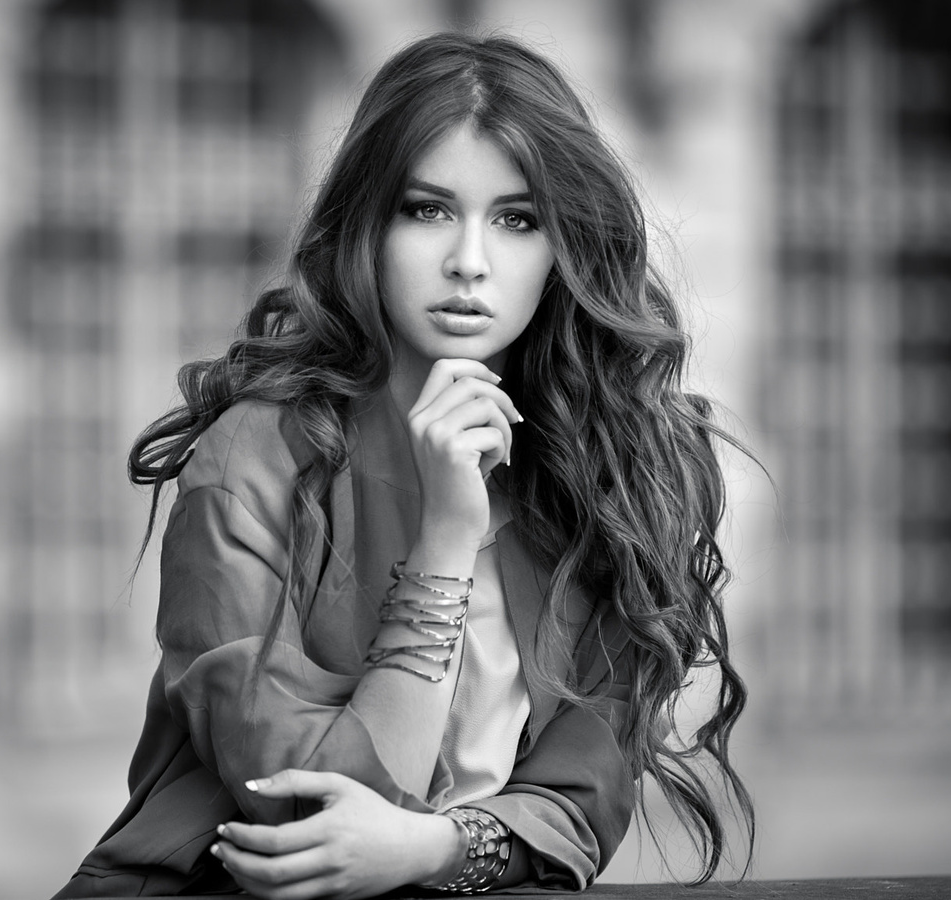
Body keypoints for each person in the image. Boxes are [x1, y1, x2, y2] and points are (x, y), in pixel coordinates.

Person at [51, 32, 754, 899]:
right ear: (367, 226)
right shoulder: (254, 455)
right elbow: (304, 812)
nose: (469, 260)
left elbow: (580, 805)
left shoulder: (614, 469)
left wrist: (437, 850)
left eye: (517, 219)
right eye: (426, 209)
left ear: (564, 243)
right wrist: (447, 538)